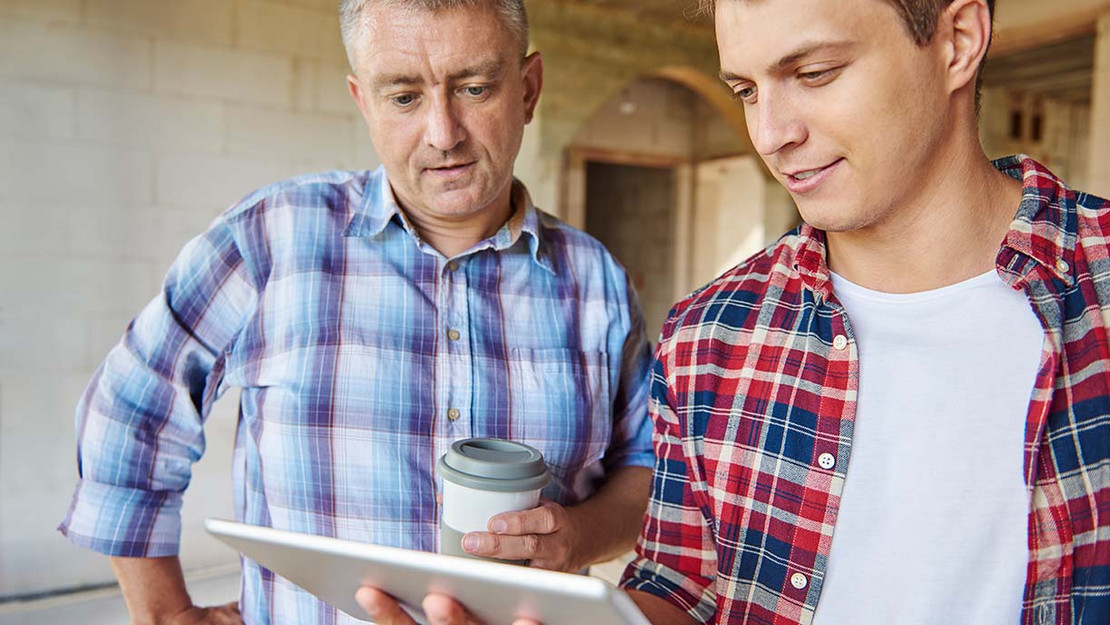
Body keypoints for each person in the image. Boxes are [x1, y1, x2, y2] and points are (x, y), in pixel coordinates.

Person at [57, 0, 654, 623]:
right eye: (403, 97)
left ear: (528, 90)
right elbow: (129, 410)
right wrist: (166, 614)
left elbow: (646, 468)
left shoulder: (597, 282)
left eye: (473, 88)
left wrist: (577, 537)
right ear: (362, 100)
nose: (442, 132)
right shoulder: (269, 239)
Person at [612, 0, 1110, 623]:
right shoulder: (705, 334)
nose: (771, 134)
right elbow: (682, 586)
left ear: (957, 40)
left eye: (815, 73)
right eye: (746, 89)